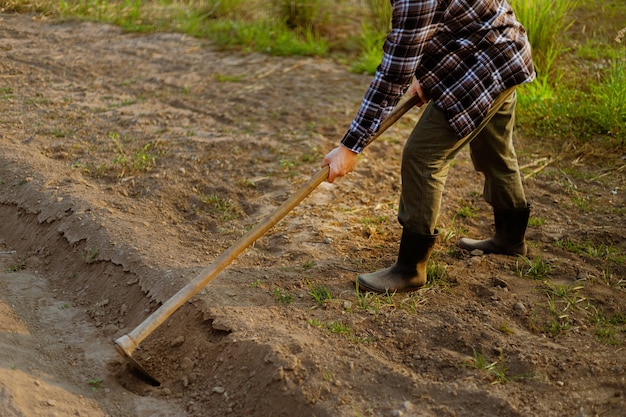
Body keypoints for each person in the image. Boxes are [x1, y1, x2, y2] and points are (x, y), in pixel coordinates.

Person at [321, 0, 536, 293]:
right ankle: (510, 238)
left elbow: (393, 74)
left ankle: (410, 270)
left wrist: (350, 147)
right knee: (493, 148)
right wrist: (425, 72)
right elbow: (446, 21)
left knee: (422, 157)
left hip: (484, 63)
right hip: (504, 49)